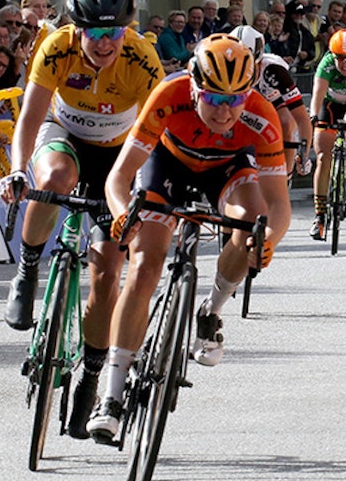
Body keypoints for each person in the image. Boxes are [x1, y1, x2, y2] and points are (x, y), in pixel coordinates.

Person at [89, 34, 290, 441]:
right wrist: (121, 214)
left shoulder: (261, 115)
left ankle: (211, 310)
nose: (224, 111)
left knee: (251, 224)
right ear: (195, 87)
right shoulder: (169, 93)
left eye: (235, 101)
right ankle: (110, 395)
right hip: (168, 164)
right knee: (145, 265)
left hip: (228, 170)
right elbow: (119, 177)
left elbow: (279, 204)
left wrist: (268, 238)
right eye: (214, 99)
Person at [0, 0, 163, 440]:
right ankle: (28, 270)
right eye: (94, 33)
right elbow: (30, 116)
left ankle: (91, 378)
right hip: (64, 134)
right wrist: (16, 170)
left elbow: (159, 133)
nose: (105, 43)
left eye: (115, 33)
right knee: (52, 180)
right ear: (77, 29)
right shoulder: (56, 47)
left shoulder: (141, 60)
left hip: (117, 156)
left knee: (109, 271)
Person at [235, 24, 313, 176]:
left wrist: (304, 154)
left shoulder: (274, 70)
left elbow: (302, 119)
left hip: (275, 100)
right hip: (247, 102)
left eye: (247, 62)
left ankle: (286, 173)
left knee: (286, 122)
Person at [308, 29, 346, 239]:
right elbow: (317, 95)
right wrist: (313, 115)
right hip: (330, 106)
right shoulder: (327, 64)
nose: (345, 64)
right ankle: (320, 216)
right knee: (323, 156)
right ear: (333, 55)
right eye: (340, 58)